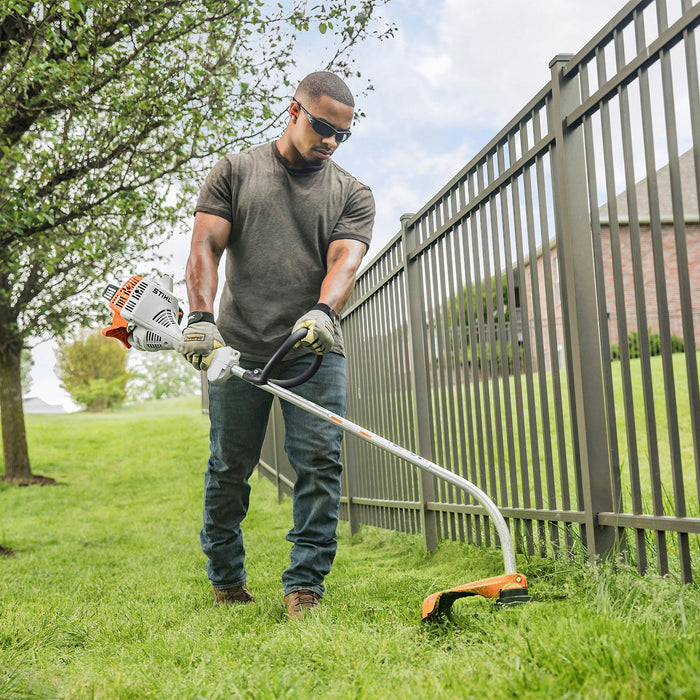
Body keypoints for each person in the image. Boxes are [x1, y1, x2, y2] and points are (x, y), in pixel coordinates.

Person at [180, 71, 375, 618]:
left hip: (313, 345)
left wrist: (322, 311)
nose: (331, 142)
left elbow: (346, 260)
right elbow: (205, 246)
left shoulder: (352, 193)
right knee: (229, 466)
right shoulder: (235, 172)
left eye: (343, 134)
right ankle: (226, 578)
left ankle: (305, 585)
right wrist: (199, 318)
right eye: (321, 127)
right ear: (293, 112)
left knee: (320, 463)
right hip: (238, 346)